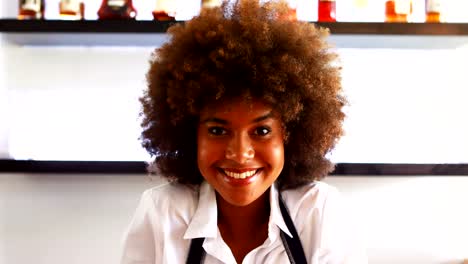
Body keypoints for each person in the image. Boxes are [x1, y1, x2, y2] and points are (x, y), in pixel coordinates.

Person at [121, 0, 367, 263]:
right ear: (192, 135)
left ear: (290, 135)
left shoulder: (319, 211)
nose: (239, 154)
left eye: (261, 130)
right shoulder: (163, 211)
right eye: (217, 130)